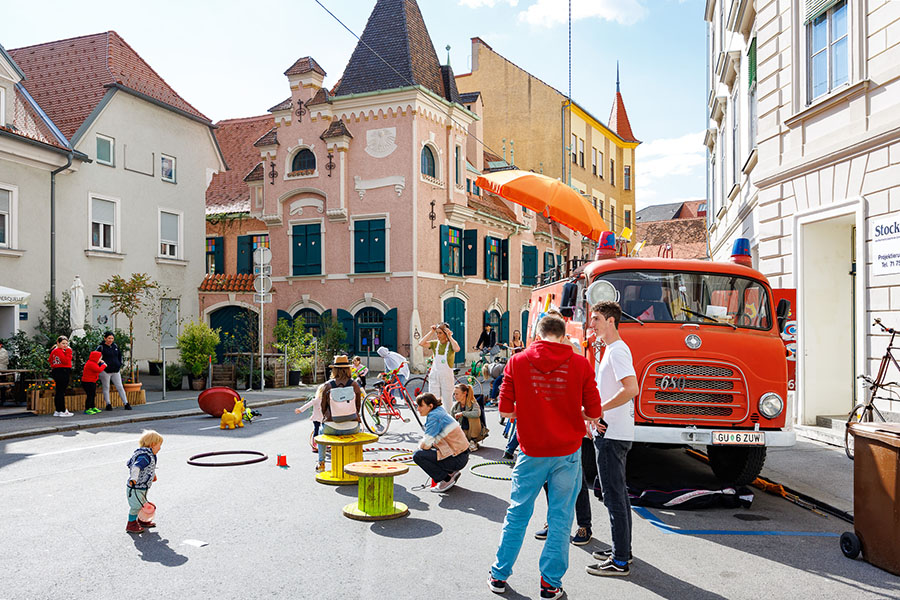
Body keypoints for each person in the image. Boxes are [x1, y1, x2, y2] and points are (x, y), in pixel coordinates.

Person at [489, 314, 602, 600]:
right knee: (561, 518)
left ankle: (499, 575)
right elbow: (594, 412)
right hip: (566, 452)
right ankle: (550, 584)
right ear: (563, 336)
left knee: (517, 513)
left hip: (531, 451)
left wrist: (530, 412)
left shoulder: (517, 361)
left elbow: (504, 409)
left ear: (538, 335)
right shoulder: (580, 363)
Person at [585, 301, 639, 577]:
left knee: (614, 497)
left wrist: (597, 411)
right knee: (618, 496)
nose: (591, 323)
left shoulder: (617, 351)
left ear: (610, 321)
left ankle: (619, 561)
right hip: (611, 431)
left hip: (612, 435)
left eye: (595, 319)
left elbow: (632, 388)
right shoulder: (612, 350)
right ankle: (622, 551)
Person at [412, 392, 470, 492]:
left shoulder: (435, 417)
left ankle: (447, 479)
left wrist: (420, 446)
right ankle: (451, 473)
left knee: (418, 455)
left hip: (458, 458)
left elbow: (425, 445)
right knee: (428, 450)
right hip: (461, 454)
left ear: (430, 406)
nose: (418, 409)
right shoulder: (438, 410)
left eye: (421, 406)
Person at [317, 355, 363, 473]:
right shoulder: (354, 385)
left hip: (331, 427)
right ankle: (356, 464)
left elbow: (323, 408)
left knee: (320, 433)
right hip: (352, 427)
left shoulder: (328, 385)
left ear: (334, 370)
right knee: (359, 430)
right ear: (348, 369)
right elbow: (358, 407)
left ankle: (321, 463)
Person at [126, 429, 163, 534]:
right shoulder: (144, 456)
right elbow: (136, 467)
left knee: (142, 503)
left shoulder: (149, 455)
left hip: (142, 486)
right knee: (136, 506)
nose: (160, 448)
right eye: (159, 445)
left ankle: (142, 520)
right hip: (135, 487)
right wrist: (133, 479)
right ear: (152, 444)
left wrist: (153, 476)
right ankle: (131, 524)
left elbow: (148, 469)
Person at [419, 322, 459, 403]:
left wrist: (450, 337)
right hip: (435, 375)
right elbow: (421, 343)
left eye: (440, 333)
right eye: (437, 333)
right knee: (433, 400)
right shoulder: (435, 343)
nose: (438, 335)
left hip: (446, 376)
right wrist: (431, 332)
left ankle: (448, 415)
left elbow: (457, 349)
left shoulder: (451, 344)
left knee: (447, 401)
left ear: (446, 333)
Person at [97, 332, 131, 411]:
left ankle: (126, 403)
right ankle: (108, 404)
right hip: (105, 371)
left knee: (120, 386)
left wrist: (119, 364)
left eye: (112, 338)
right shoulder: (101, 347)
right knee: (106, 387)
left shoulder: (115, 346)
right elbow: (96, 358)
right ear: (105, 338)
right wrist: (102, 366)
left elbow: (119, 356)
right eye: (109, 338)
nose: (110, 340)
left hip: (116, 370)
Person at [450, 383, 484, 452]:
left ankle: (473, 440)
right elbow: (450, 421)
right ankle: (466, 442)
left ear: (464, 393)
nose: (455, 396)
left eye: (457, 394)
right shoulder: (456, 406)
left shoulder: (473, 402)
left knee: (473, 416)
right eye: (454, 394)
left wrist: (463, 413)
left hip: (475, 431)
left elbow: (477, 413)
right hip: (463, 432)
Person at [296, 382, 326, 454]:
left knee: (323, 431)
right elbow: (308, 405)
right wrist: (301, 409)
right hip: (316, 418)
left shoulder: (326, 400)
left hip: (323, 418)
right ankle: (315, 445)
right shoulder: (316, 400)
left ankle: (323, 444)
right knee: (316, 431)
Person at [48, 336, 73, 418]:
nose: (65, 345)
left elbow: (50, 360)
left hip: (57, 370)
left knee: (59, 391)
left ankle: (58, 410)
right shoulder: (58, 351)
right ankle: (62, 410)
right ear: (58, 343)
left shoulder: (55, 351)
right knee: (61, 391)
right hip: (63, 371)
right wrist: (69, 351)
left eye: (66, 343)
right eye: (63, 343)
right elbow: (66, 360)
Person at [81, 350, 106, 415]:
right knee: (90, 395)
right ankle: (87, 409)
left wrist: (100, 363)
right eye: (100, 358)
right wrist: (103, 365)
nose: (100, 359)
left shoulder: (93, 363)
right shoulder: (91, 364)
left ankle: (92, 407)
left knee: (93, 394)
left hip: (92, 381)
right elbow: (98, 370)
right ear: (96, 358)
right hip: (88, 382)